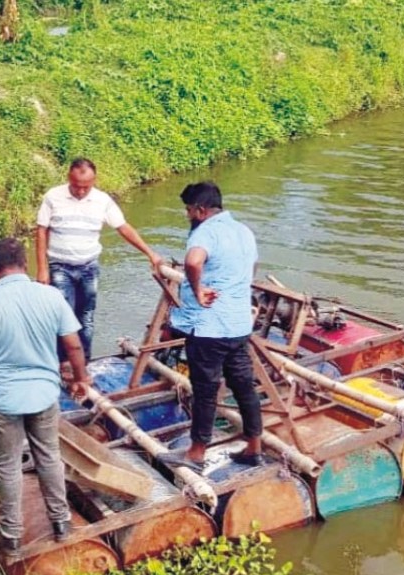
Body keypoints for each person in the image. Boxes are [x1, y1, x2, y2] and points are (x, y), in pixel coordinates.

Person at [0, 238, 91, 552]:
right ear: (25, 264)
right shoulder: (51, 296)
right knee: (49, 456)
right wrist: (81, 378)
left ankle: (11, 535)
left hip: (3, 399)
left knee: (7, 464)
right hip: (43, 395)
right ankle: (61, 522)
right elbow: (74, 344)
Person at [157, 182, 264, 473]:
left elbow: (193, 262)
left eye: (189, 210)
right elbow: (252, 268)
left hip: (209, 328)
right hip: (239, 324)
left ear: (201, 210)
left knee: (205, 389)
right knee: (244, 386)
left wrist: (198, 287)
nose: (188, 216)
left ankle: (195, 453)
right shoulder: (243, 231)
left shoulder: (205, 231)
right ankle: (254, 447)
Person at [35, 157, 162, 365]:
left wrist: (150, 253)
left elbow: (123, 228)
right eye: (77, 186)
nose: (81, 192)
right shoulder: (53, 197)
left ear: (94, 181)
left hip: (89, 266)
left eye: (86, 187)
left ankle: (83, 363)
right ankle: (62, 363)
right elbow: (41, 231)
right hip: (60, 266)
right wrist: (42, 269)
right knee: (62, 317)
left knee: (86, 317)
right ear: (69, 178)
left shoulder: (102, 201)